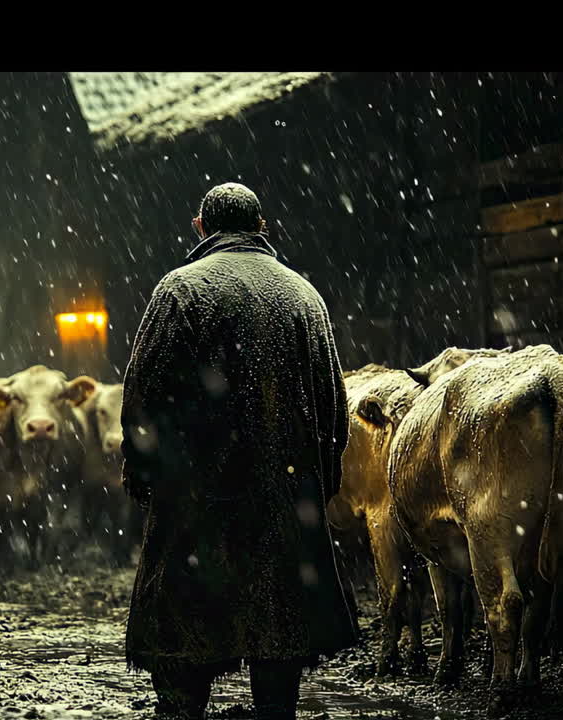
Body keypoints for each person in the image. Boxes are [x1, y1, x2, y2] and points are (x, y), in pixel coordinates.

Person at [120, 183, 359, 719]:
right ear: (262, 227)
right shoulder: (303, 296)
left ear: (200, 226)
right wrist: (321, 480)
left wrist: (141, 469)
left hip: (196, 499)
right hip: (283, 499)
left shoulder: (180, 289)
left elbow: (144, 392)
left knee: (184, 651)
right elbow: (333, 403)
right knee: (278, 657)